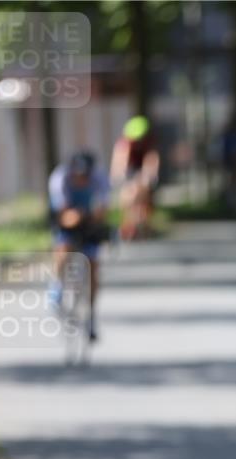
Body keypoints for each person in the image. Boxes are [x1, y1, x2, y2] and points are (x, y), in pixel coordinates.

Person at [48, 151, 111, 341]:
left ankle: (91, 315)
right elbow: (63, 215)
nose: (81, 179)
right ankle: (57, 286)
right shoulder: (60, 179)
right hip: (66, 218)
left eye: (85, 176)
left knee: (94, 265)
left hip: (90, 221)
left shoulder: (100, 179)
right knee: (63, 248)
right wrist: (75, 217)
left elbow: (103, 210)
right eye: (78, 175)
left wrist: (91, 216)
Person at [110, 115, 160, 240]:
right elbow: (119, 165)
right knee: (128, 196)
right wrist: (123, 179)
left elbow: (152, 161)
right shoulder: (123, 145)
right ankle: (127, 224)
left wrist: (149, 177)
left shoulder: (149, 144)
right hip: (128, 172)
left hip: (141, 171)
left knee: (146, 192)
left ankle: (145, 222)